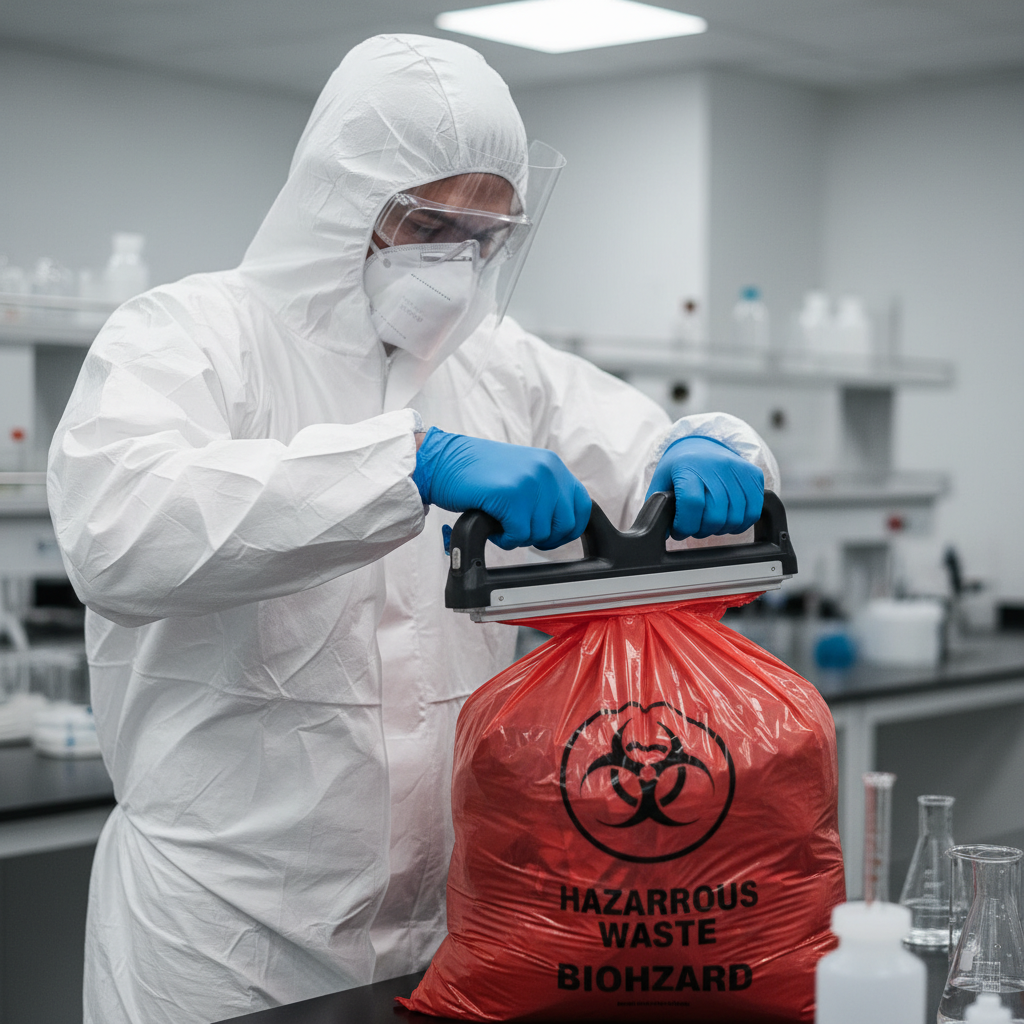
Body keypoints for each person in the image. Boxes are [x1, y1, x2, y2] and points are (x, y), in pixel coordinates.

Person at [47, 33, 779, 1024]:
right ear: (341, 198)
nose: (459, 257)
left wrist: (710, 453)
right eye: (431, 220)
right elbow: (121, 533)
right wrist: (409, 465)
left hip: (450, 925)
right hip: (224, 939)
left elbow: (649, 448)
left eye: (488, 232)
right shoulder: (189, 336)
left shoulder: (493, 363)